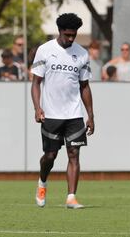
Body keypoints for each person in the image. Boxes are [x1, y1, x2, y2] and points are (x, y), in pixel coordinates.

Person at [31, 13, 95, 209]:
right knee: (50, 156)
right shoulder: (44, 50)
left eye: (73, 35)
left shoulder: (82, 53)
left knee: (74, 153)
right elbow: (36, 83)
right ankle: (42, 183)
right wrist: (37, 107)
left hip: (74, 114)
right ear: (60, 31)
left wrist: (90, 115)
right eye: (67, 34)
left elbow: (85, 86)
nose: (70, 38)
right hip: (50, 114)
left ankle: (71, 197)